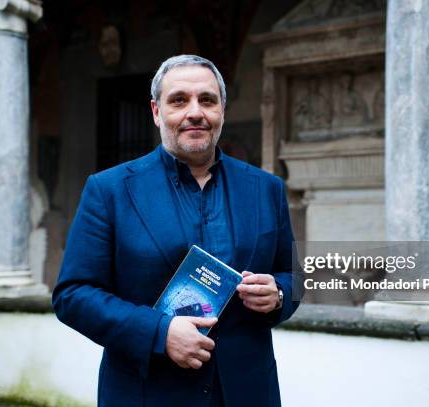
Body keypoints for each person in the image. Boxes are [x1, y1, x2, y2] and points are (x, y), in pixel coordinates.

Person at [52, 54, 300, 407]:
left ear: (222, 112)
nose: (195, 112)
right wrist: (159, 332)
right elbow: (72, 295)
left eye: (208, 100)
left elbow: (294, 276)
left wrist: (278, 293)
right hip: (148, 392)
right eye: (179, 100)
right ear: (156, 111)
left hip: (248, 392)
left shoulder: (266, 189)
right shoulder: (109, 190)